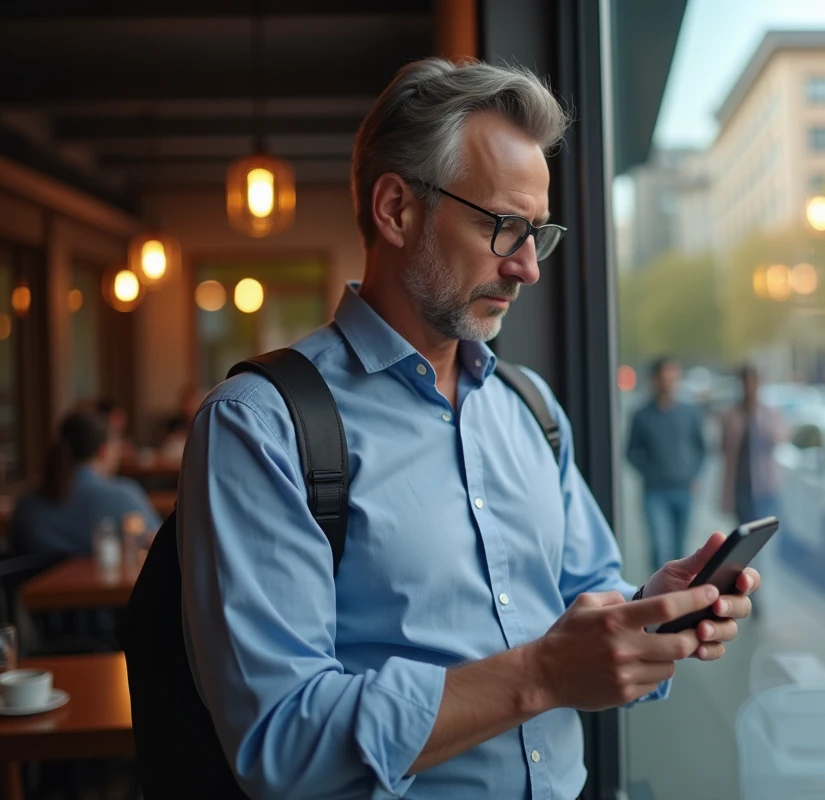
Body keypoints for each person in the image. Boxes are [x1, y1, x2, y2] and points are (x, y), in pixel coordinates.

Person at [176, 58, 762, 800]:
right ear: (396, 210)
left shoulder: (531, 408)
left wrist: (653, 613)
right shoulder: (261, 428)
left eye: (537, 234)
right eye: (504, 228)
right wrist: (543, 673)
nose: (528, 269)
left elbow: (585, 591)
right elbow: (283, 741)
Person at [10, 411, 161, 557]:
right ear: (104, 451)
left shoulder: (26, 503)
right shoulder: (123, 495)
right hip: (106, 582)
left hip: (31, 582)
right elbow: (158, 544)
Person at [625, 356, 707, 567]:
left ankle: (679, 598)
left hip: (683, 489)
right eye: (664, 378)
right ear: (655, 380)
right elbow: (630, 452)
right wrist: (650, 472)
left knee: (681, 551)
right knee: (660, 547)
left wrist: (695, 475)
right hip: (655, 492)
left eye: (672, 377)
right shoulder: (642, 415)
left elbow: (702, 448)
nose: (668, 383)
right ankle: (657, 596)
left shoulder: (689, 412)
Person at [721, 364, 785, 524]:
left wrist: (757, 420)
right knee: (745, 530)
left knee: (762, 528)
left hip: (764, 483)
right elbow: (723, 447)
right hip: (740, 483)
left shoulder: (768, 413)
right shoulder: (733, 414)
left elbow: (779, 437)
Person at [158, 385, 202, 463]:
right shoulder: (174, 425)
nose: (189, 407)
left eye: (193, 403)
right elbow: (164, 451)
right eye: (186, 403)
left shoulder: (204, 425)